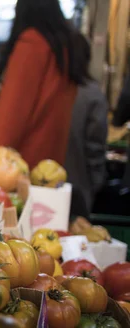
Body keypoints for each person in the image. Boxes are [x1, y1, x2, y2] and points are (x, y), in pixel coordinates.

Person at [0, 0, 85, 169]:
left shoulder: (32, 44)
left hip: (20, 165)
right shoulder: (65, 47)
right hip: (51, 164)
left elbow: (12, 113)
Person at [64, 34, 108, 219]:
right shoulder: (93, 95)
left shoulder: (48, 93)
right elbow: (95, 147)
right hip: (79, 188)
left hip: (41, 188)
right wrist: (95, 182)